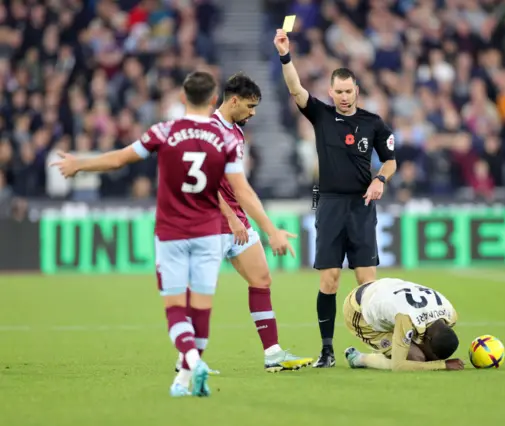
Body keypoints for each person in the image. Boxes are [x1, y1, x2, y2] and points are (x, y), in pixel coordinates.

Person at [51, 71, 296, 397]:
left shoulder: (168, 131)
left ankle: (214, 360)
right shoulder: (221, 137)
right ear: (219, 99)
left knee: (200, 300)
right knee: (200, 306)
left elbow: (121, 159)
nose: (252, 113)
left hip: (183, 230)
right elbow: (237, 189)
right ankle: (188, 371)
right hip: (212, 229)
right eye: (249, 106)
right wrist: (262, 227)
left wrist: (81, 163)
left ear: (183, 98)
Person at [274, 29, 398, 368]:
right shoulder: (321, 115)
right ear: (331, 92)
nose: (343, 96)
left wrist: (380, 180)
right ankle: (327, 351)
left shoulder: (372, 123)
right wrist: (286, 56)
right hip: (327, 202)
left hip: (362, 205)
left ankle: (379, 346)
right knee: (329, 279)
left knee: (366, 282)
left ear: (356, 90)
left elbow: (390, 159)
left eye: (348, 91)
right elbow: (295, 89)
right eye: (338, 91)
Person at [175, 73, 313, 374]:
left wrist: (249, 222)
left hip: (235, 221)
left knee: (262, 279)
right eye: (250, 106)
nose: (253, 113)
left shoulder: (235, 133)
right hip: (208, 222)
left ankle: (273, 353)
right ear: (233, 100)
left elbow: (238, 187)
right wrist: (231, 218)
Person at [343, 278, 464, 372]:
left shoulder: (450, 314)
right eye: (434, 355)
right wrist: (441, 365)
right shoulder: (407, 317)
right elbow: (398, 366)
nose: (434, 358)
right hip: (358, 309)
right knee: (416, 358)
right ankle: (359, 359)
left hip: (384, 289)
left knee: (417, 356)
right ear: (428, 338)